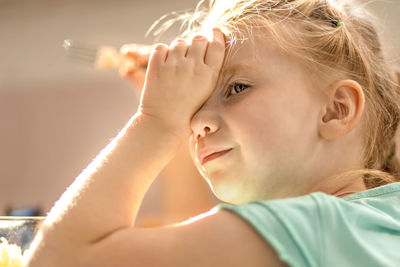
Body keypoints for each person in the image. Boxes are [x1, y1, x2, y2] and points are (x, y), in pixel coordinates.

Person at [25, 0, 400, 266]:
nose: (195, 122)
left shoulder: (310, 226)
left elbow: (59, 260)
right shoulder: (377, 218)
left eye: (236, 88)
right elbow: (194, 229)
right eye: (196, 103)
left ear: (336, 110)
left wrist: (156, 122)